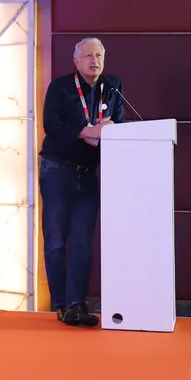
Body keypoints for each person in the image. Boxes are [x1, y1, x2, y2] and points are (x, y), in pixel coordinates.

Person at [39, 37, 126, 328]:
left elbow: (119, 122)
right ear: (76, 61)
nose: (94, 60)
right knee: (55, 240)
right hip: (57, 169)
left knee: (81, 240)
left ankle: (76, 304)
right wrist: (88, 131)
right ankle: (61, 304)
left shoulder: (112, 86)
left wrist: (111, 128)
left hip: (87, 173)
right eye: (88, 56)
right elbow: (51, 125)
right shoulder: (61, 87)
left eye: (99, 55)